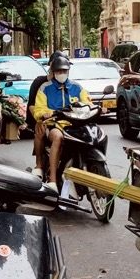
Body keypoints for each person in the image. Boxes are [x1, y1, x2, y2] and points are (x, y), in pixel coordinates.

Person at [32, 54, 92, 190]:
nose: (62, 74)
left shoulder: (77, 87)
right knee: (58, 138)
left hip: (75, 125)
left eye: (64, 71)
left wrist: (97, 108)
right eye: (59, 71)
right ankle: (53, 180)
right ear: (53, 72)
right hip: (54, 124)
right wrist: (44, 113)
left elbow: (88, 103)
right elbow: (38, 110)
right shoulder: (45, 88)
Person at [28, 52, 66, 173]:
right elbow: (32, 105)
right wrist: (41, 118)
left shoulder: (71, 85)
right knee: (40, 129)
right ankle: (39, 164)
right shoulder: (41, 83)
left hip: (65, 119)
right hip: (45, 119)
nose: (62, 72)